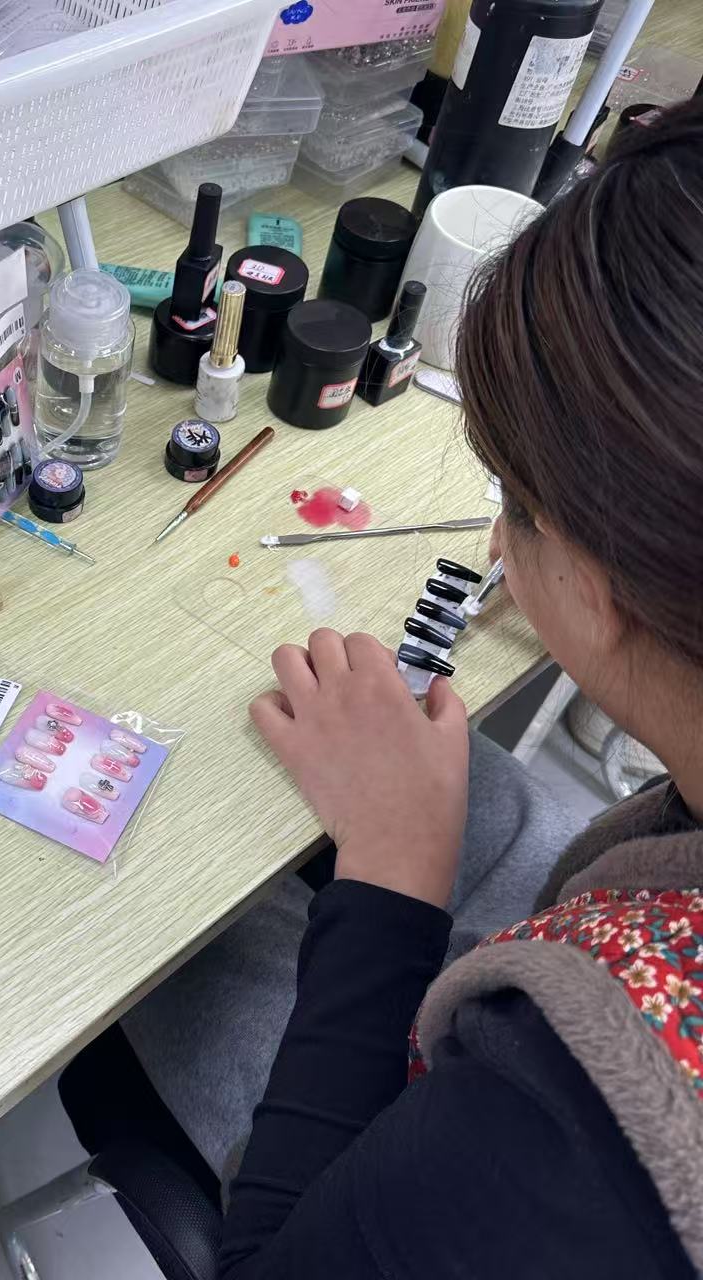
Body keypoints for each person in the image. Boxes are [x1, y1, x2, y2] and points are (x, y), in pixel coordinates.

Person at [123, 99, 703, 1276]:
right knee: (496, 807)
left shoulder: (581, 1152)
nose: (495, 539)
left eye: (514, 501)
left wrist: (393, 871)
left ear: (603, 577)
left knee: (167, 927)